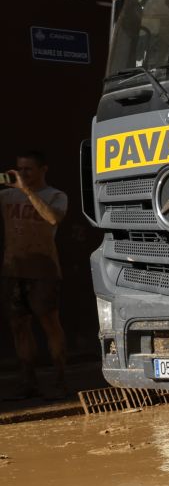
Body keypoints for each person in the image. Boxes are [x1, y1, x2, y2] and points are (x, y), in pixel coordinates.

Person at [2, 150, 69, 398]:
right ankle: (28, 380)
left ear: (43, 170)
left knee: (50, 324)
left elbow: (53, 219)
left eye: (28, 169)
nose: (23, 174)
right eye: (19, 169)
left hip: (44, 271)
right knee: (19, 326)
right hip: (13, 270)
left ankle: (60, 379)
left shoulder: (55, 196)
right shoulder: (7, 196)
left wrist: (27, 192)